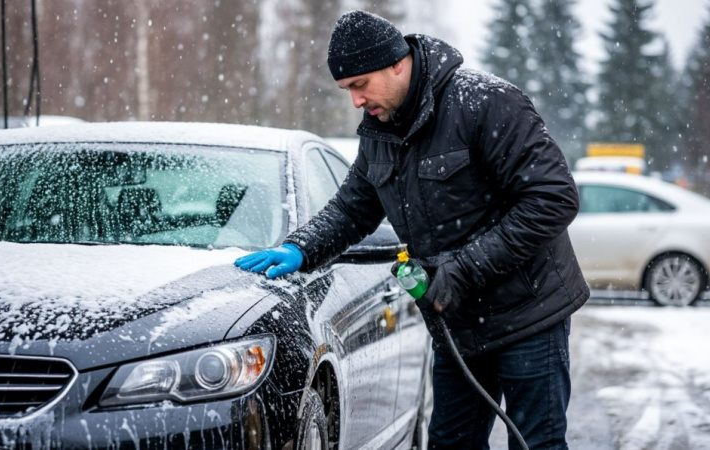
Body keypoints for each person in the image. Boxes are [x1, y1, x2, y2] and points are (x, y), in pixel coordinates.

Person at [235, 9, 589, 450]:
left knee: (535, 444)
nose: (356, 102)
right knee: (449, 443)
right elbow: (353, 208)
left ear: (397, 63)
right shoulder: (379, 131)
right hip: (458, 323)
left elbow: (553, 199)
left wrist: (462, 270)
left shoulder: (485, 103)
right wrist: (301, 248)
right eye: (347, 91)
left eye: (360, 85)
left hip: (529, 313)